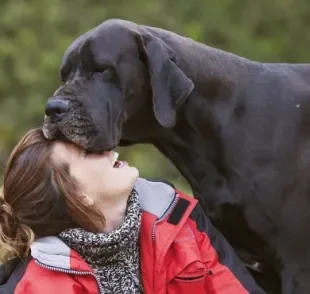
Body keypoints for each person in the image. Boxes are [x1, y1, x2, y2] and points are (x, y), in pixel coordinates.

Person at [0, 128, 265, 294]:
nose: (106, 149)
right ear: (77, 195)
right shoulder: (36, 287)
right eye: (87, 153)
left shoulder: (180, 217)